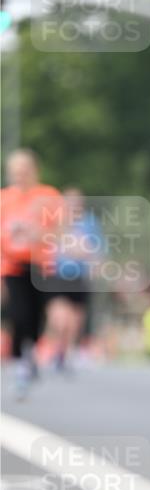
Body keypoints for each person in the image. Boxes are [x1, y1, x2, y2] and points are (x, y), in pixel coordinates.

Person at [0, 149, 61, 398]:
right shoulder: (4, 199)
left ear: (35, 170)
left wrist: (38, 234)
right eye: (15, 172)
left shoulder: (49, 196)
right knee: (19, 314)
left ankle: (31, 352)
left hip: (41, 265)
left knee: (37, 316)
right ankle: (22, 363)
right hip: (12, 265)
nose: (20, 176)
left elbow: (60, 231)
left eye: (24, 171)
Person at [45, 188, 100, 372]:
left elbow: (95, 249)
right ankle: (55, 348)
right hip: (58, 275)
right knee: (60, 318)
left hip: (80, 276)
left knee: (74, 320)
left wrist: (93, 262)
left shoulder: (89, 223)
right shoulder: (56, 221)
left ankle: (67, 353)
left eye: (76, 203)